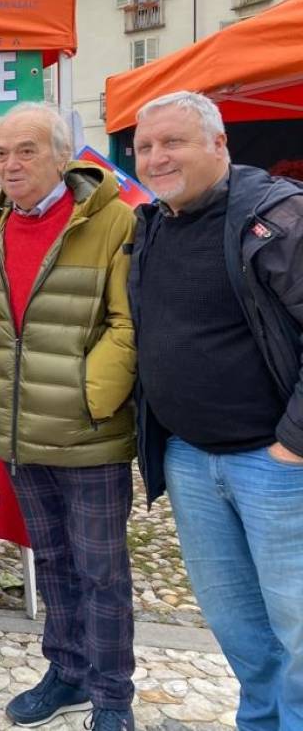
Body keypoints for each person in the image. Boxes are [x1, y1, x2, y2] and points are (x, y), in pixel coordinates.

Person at [129, 91, 303, 731]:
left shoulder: (278, 216)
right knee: (237, 625)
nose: (156, 157)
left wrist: (293, 445)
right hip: (193, 461)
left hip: (275, 464)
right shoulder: (155, 224)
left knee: (298, 628)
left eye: (172, 142)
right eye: (145, 147)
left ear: (219, 143)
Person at [0, 103, 137, 730]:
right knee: (54, 559)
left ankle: (114, 697)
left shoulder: (113, 221)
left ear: (63, 156)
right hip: (17, 430)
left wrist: (91, 398)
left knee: (102, 570)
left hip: (87, 433)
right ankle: (67, 672)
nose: (11, 164)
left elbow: (129, 325)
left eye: (27, 150)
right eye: (4, 153)